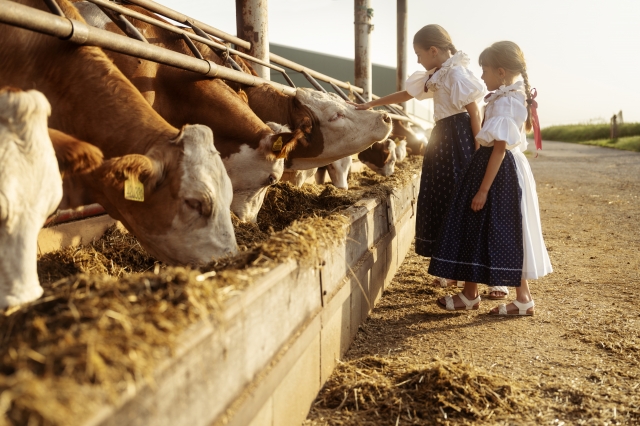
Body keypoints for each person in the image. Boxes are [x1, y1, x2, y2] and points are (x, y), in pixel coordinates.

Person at [349, 24, 485, 289]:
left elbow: (474, 112)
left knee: (455, 199)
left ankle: (458, 271)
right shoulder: (437, 73)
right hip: (443, 138)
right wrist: (370, 104)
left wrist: (479, 150)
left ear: (433, 50)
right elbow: (407, 94)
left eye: (419, 54)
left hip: (458, 139)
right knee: (441, 198)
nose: (418, 60)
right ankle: (450, 268)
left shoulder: (456, 73)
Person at [428, 41, 553, 315]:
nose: (481, 77)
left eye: (484, 70)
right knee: (478, 227)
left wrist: (483, 189)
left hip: (499, 172)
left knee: (505, 230)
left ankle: (521, 298)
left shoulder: (508, 100)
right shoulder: (504, 96)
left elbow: (499, 147)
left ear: (500, 71)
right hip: (490, 166)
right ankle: (473, 294)